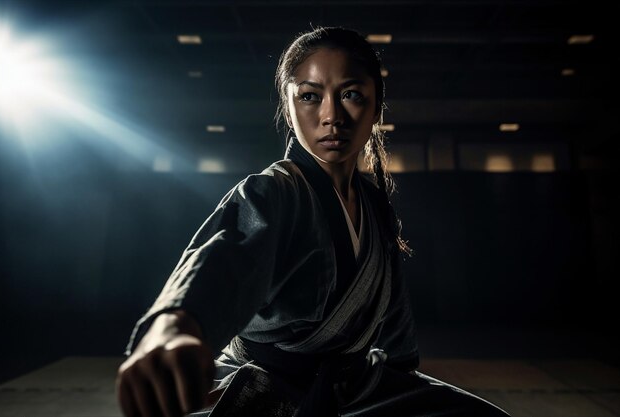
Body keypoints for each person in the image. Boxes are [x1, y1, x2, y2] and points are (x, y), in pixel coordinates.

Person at [116, 26, 510, 417]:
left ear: (376, 106)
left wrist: (400, 371)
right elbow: (224, 256)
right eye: (309, 96)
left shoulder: (375, 204)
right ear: (289, 107)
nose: (331, 116)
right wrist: (175, 324)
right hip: (266, 383)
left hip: (357, 386)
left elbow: (394, 321)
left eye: (351, 95)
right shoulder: (272, 192)